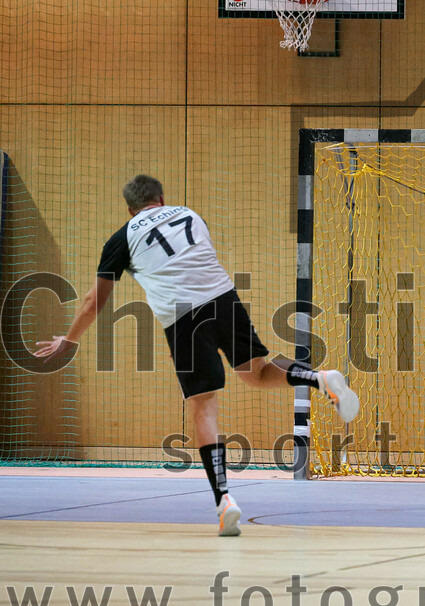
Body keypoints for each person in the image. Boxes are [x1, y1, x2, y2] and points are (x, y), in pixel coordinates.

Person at [33, 175, 359, 536]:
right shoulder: (189, 213)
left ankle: (224, 500)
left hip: (182, 318)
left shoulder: (121, 237)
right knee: (256, 372)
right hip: (223, 299)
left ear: (130, 208)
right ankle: (320, 378)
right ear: (161, 197)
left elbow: (96, 300)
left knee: (203, 405)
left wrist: (70, 338)